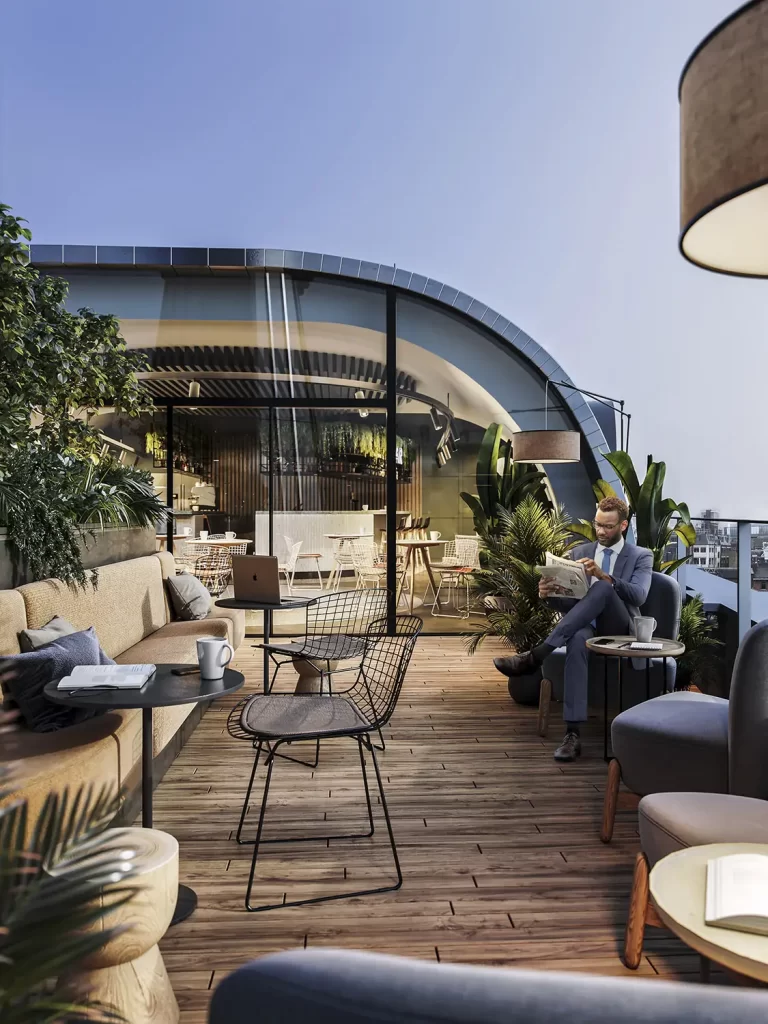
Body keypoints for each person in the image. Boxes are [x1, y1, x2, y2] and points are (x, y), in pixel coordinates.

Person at [494, 496, 652, 762]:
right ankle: (572, 734)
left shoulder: (640, 555)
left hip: (618, 627)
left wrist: (605, 577)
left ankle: (538, 654)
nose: (601, 531)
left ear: (623, 525)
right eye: (597, 524)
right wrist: (548, 594)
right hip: (586, 627)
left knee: (602, 587)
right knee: (578, 638)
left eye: (608, 526)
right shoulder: (579, 553)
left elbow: (639, 596)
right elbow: (568, 604)